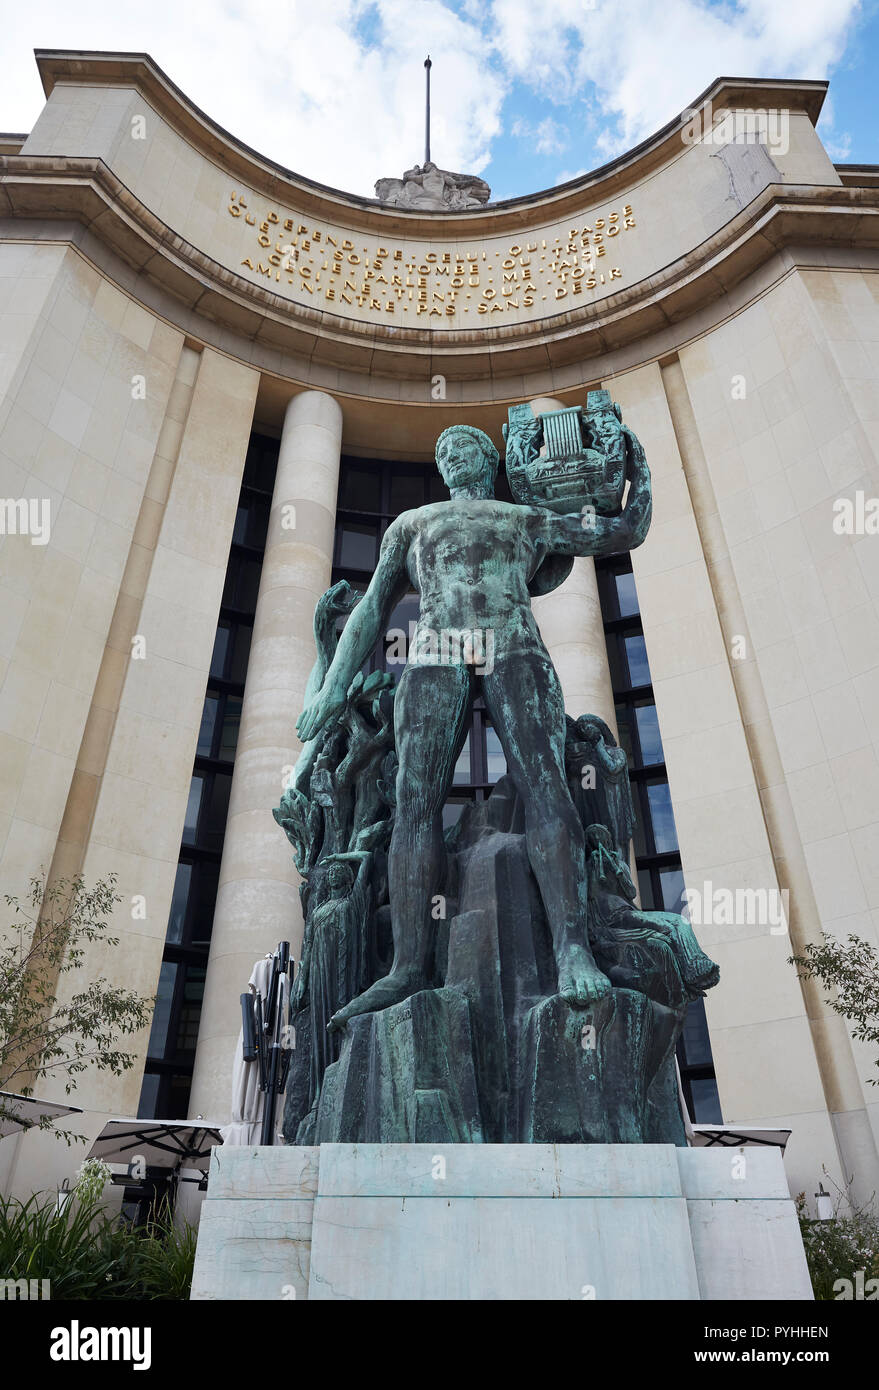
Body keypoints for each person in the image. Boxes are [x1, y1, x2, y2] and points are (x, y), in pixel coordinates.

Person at [297, 422, 651, 1029]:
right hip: (436, 648)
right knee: (414, 801)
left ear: (489, 459)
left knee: (548, 788)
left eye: (464, 446)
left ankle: (571, 949)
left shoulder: (523, 517)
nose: (452, 454)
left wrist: (636, 472)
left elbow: (621, 531)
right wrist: (332, 691)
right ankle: (407, 967)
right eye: (443, 450)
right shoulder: (413, 523)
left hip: (513, 644)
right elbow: (370, 610)